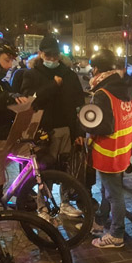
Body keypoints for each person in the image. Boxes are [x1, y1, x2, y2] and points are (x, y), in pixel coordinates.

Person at [81, 49, 132, 248]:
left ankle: (116, 234)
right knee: (108, 189)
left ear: (96, 68)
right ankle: (99, 221)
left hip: (107, 151)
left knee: (114, 194)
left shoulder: (102, 92)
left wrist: (83, 122)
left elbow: (102, 126)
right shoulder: (128, 87)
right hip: (123, 149)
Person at [21, 36, 86, 218]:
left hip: (66, 129)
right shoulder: (32, 74)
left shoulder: (69, 75)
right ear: (40, 54)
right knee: (44, 170)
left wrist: (79, 131)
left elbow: (78, 105)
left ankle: (65, 202)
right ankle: (43, 206)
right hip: (43, 132)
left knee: (67, 168)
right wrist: (53, 86)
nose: (51, 59)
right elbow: (29, 100)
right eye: (47, 55)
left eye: (55, 55)